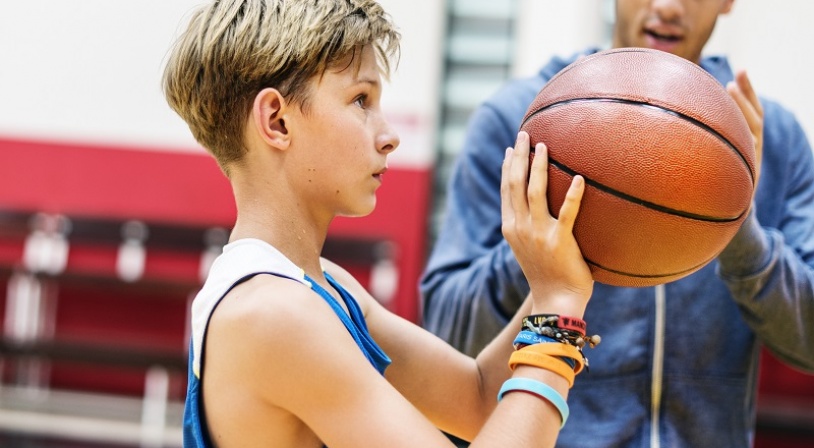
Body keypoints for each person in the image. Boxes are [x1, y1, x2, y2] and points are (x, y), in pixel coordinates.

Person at [162, 1, 600, 447]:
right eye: (360, 100)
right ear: (276, 120)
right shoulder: (273, 313)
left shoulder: (325, 285)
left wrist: (563, 275)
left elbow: (480, 400)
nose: (389, 135)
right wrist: (557, 308)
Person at [420, 0, 814, 447]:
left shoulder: (770, 139)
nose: (667, 7)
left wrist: (742, 233)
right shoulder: (520, 122)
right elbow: (447, 334)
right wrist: (538, 248)